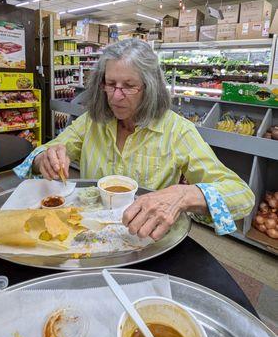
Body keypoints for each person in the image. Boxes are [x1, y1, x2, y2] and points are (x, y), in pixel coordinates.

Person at [15, 39, 254, 240]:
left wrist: (184, 196)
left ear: (150, 88)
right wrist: (44, 159)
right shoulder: (92, 122)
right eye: (110, 84)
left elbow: (241, 196)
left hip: (147, 242)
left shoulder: (177, 131)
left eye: (129, 86)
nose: (116, 97)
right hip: (90, 236)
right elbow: (40, 155)